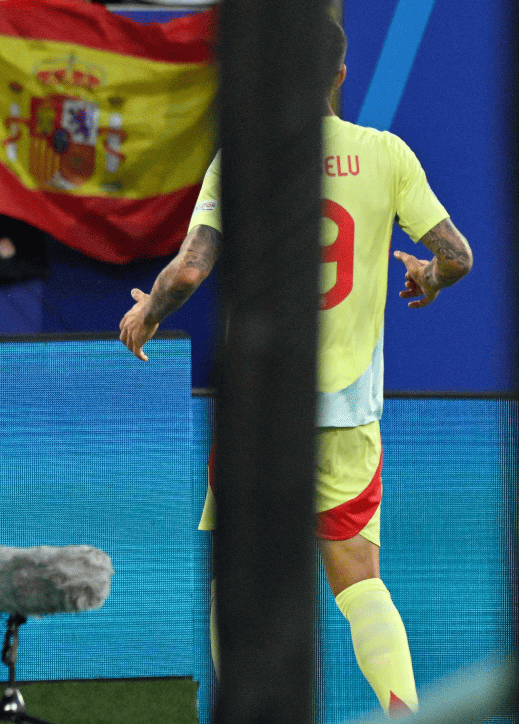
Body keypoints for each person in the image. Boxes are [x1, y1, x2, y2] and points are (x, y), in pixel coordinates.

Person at [118, 15, 472, 717]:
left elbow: (188, 270)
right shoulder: (387, 153)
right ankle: (402, 709)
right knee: (360, 581)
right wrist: (428, 278)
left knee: (238, 583)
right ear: (339, 76)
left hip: (260, 415)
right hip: (348, 418)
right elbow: (458, 254)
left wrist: (149, 314)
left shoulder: (246, 155)